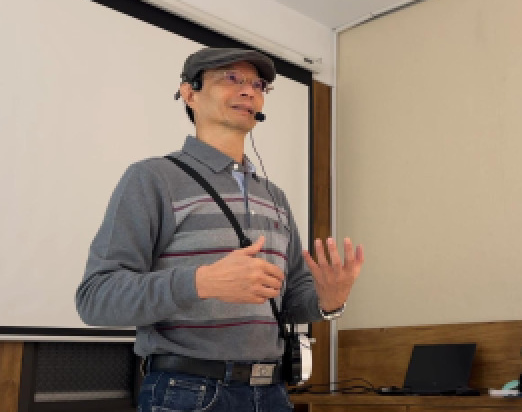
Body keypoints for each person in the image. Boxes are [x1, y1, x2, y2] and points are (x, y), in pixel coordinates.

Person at [76, 47, 364, 412]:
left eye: (258, 85)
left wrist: (328, 302)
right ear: (189, 93)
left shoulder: (274, 196)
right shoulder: (152, 178)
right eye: (232, 78)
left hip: (274, 394)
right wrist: (201, 282)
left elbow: (291, 301)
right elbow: (95, 299)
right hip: (187, 392)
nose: (249, 91)